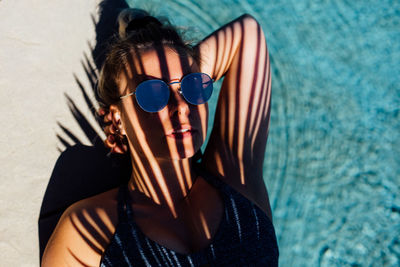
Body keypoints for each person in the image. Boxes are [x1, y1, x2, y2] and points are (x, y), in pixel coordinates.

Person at [42, 8, 278, 266]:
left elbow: (247, 35)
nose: (182, 106)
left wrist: (179, 71)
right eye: (153, 93)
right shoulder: (88, 230)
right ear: (117, 118)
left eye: (193, 87)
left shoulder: (234, 175)